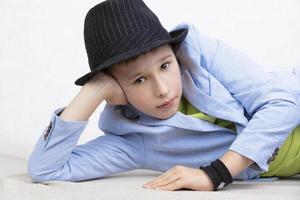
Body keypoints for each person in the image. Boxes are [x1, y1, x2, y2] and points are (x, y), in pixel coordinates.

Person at [27, 0, 300, 191]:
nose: (163, 89)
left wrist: (215, 174)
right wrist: (94, 89)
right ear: (118, 91)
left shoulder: (200, 55)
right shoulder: (135, 142)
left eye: (165, 65)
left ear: (175, 54)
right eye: (139, 79)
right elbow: (45, 169)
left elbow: (281, 105)